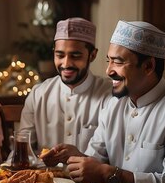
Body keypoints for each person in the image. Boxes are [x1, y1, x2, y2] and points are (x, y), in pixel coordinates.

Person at [51, 21, 165, 183]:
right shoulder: (114, 104)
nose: (108, 71)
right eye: (108, 61)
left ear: (148, 66)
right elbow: (96, 164)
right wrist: (78, 158)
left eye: (117, 62)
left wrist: (108, 173)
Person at [20, 18, 111, 159]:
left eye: (75, 56)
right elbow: (23, 151)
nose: (66, 63)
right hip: (45, 178)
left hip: (93, 181)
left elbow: (110, 157)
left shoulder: (109, 94)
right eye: (60, 55)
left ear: (92, 55)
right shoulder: (38, 94)